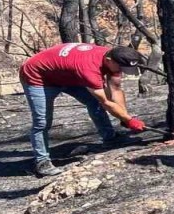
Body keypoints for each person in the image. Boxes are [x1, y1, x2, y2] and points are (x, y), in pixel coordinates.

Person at [19, 43, 147, 177]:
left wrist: (125, 117)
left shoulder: (114, 57)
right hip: (38, 76)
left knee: (94, 102)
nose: (121, 70)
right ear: (109, 61)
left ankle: (110, 138)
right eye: (121, 68)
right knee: (42, 122)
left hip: (68, 74)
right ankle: (42, 161)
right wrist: (129, 120)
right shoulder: (90, 68)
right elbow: (106, 102)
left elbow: (115, 89)